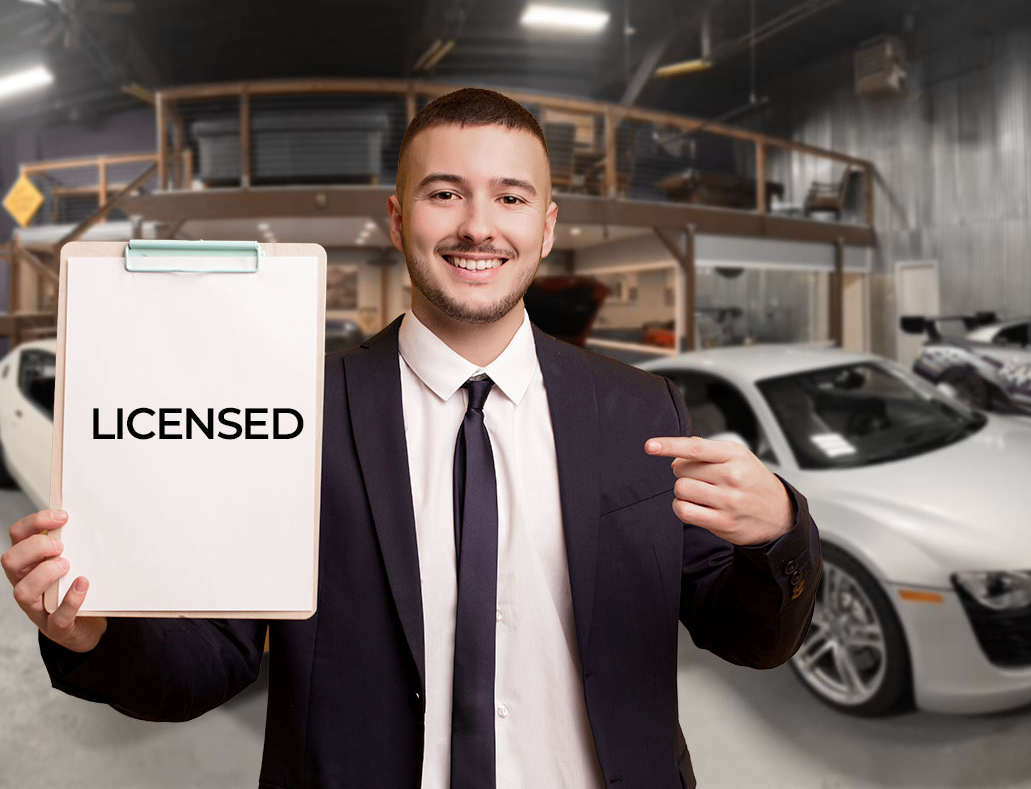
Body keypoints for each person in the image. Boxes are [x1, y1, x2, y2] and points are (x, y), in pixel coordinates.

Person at [3, 88, 822, 789]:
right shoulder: (295, 415)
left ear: (545, 225)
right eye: (443, 194)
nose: (477, 226)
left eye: (510, 197)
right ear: (397, 220)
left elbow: (748, 636)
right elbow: (214, 660)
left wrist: (780, 531)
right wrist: (97, 634)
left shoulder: (644, 413)